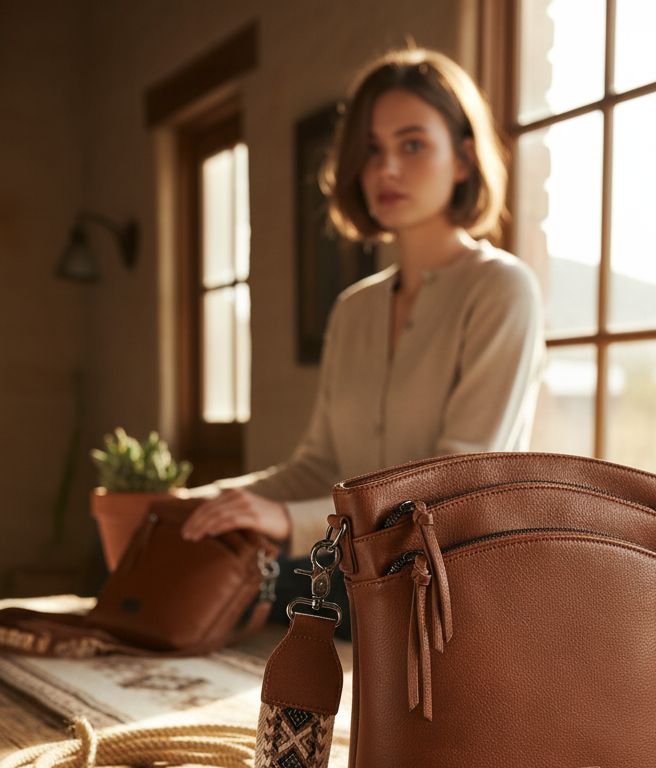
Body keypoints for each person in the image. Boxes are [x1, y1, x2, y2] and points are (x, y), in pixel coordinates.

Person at [182, 46, 545, 637]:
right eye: (372, 150)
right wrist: (206, 499)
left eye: (412, 144)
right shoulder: (354, 309)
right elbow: (322, 464)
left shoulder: (503, 289)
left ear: (463, 158)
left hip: (451, 606)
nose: (387, 170)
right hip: (351, 585)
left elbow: (454, 484)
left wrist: (288, 521)